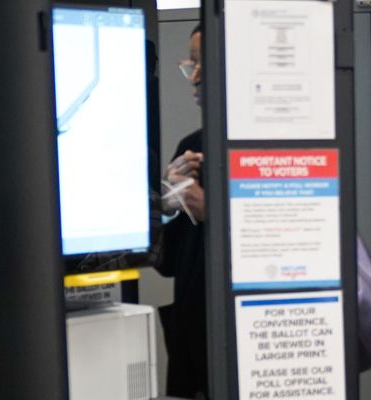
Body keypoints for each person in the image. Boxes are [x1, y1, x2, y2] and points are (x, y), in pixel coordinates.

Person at [154, 24, 208, 399]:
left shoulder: (279, 152)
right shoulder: (191, 148)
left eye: (204, 62)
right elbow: (167, 262)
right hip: (194, 346)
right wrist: (168, 207)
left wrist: (212, 212)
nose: (195, 76)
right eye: (191, 63)